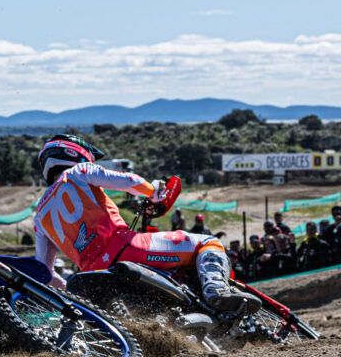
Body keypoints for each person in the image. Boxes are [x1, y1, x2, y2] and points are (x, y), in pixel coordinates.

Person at [31, 134, 257, 314]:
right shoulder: (78, 171)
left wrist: (68, 290)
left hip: (91, 276)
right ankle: (216, 289)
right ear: (74, 153)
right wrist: (154, 192)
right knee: (207, 242)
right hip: (127, 249)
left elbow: (45, 272)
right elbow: (128, 180)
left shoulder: (39, 215)